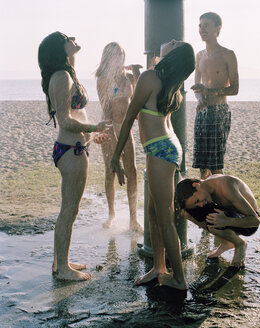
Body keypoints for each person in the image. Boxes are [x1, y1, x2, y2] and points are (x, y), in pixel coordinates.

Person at [111, 40, 195, 290]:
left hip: (160, 149)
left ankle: (179, 279)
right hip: (167, 146)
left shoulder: (151, 76)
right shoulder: (166, 81)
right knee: (153, 213)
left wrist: (116, 157)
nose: (170, 40)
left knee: (166, 217)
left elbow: (128, 119)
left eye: (175, 43)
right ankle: (159, 268)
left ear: (174, 55)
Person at [38, 32, 111, 280]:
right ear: (60, 48)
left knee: (69, 209)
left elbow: (74, 117)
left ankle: (61, 263)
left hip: (75, 147)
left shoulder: (67, 73)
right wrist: (95, 128)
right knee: (69, 210)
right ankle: (63, 270)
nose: (74, 37)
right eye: (67, 37)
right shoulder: (61, 77)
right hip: (71, 150)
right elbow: (67, 121)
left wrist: (92, 136)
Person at [95, 42, 143, 232]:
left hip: (126, 127)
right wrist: (117, 152)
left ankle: (133, 219)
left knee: (133, 171)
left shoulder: (129, 78)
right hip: (108, 128)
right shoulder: (103, 80)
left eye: (121, 55)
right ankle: (111, 214)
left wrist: (138, 74)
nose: (119, 59)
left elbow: (142, 97)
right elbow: (107, 113)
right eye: (115, 55)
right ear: (107, 58)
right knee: (111, 171)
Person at [191, 12, 239, 179]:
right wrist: (200, 99)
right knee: (202, 166)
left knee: (216, 166)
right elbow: (197, 88)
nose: (202, 29)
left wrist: (209, 92)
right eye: (200, 26)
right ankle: (206, 203)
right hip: (202, 113)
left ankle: (221, 199)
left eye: (206, 26)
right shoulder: (199, 56)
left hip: (219, 111)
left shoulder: (228, 55)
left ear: (217, 29)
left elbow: (235, 89)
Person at [176, 175, 260, 268]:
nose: (200, 205)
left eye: (197, 201)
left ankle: (240, 244)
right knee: (186, 212)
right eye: (196, 204)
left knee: (214, 219)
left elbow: (256, 221)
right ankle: (226, 243)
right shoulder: (206, 189)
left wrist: (227, 221)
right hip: (228, 213)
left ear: (196, 185)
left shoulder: (226, 187)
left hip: (248, 224)